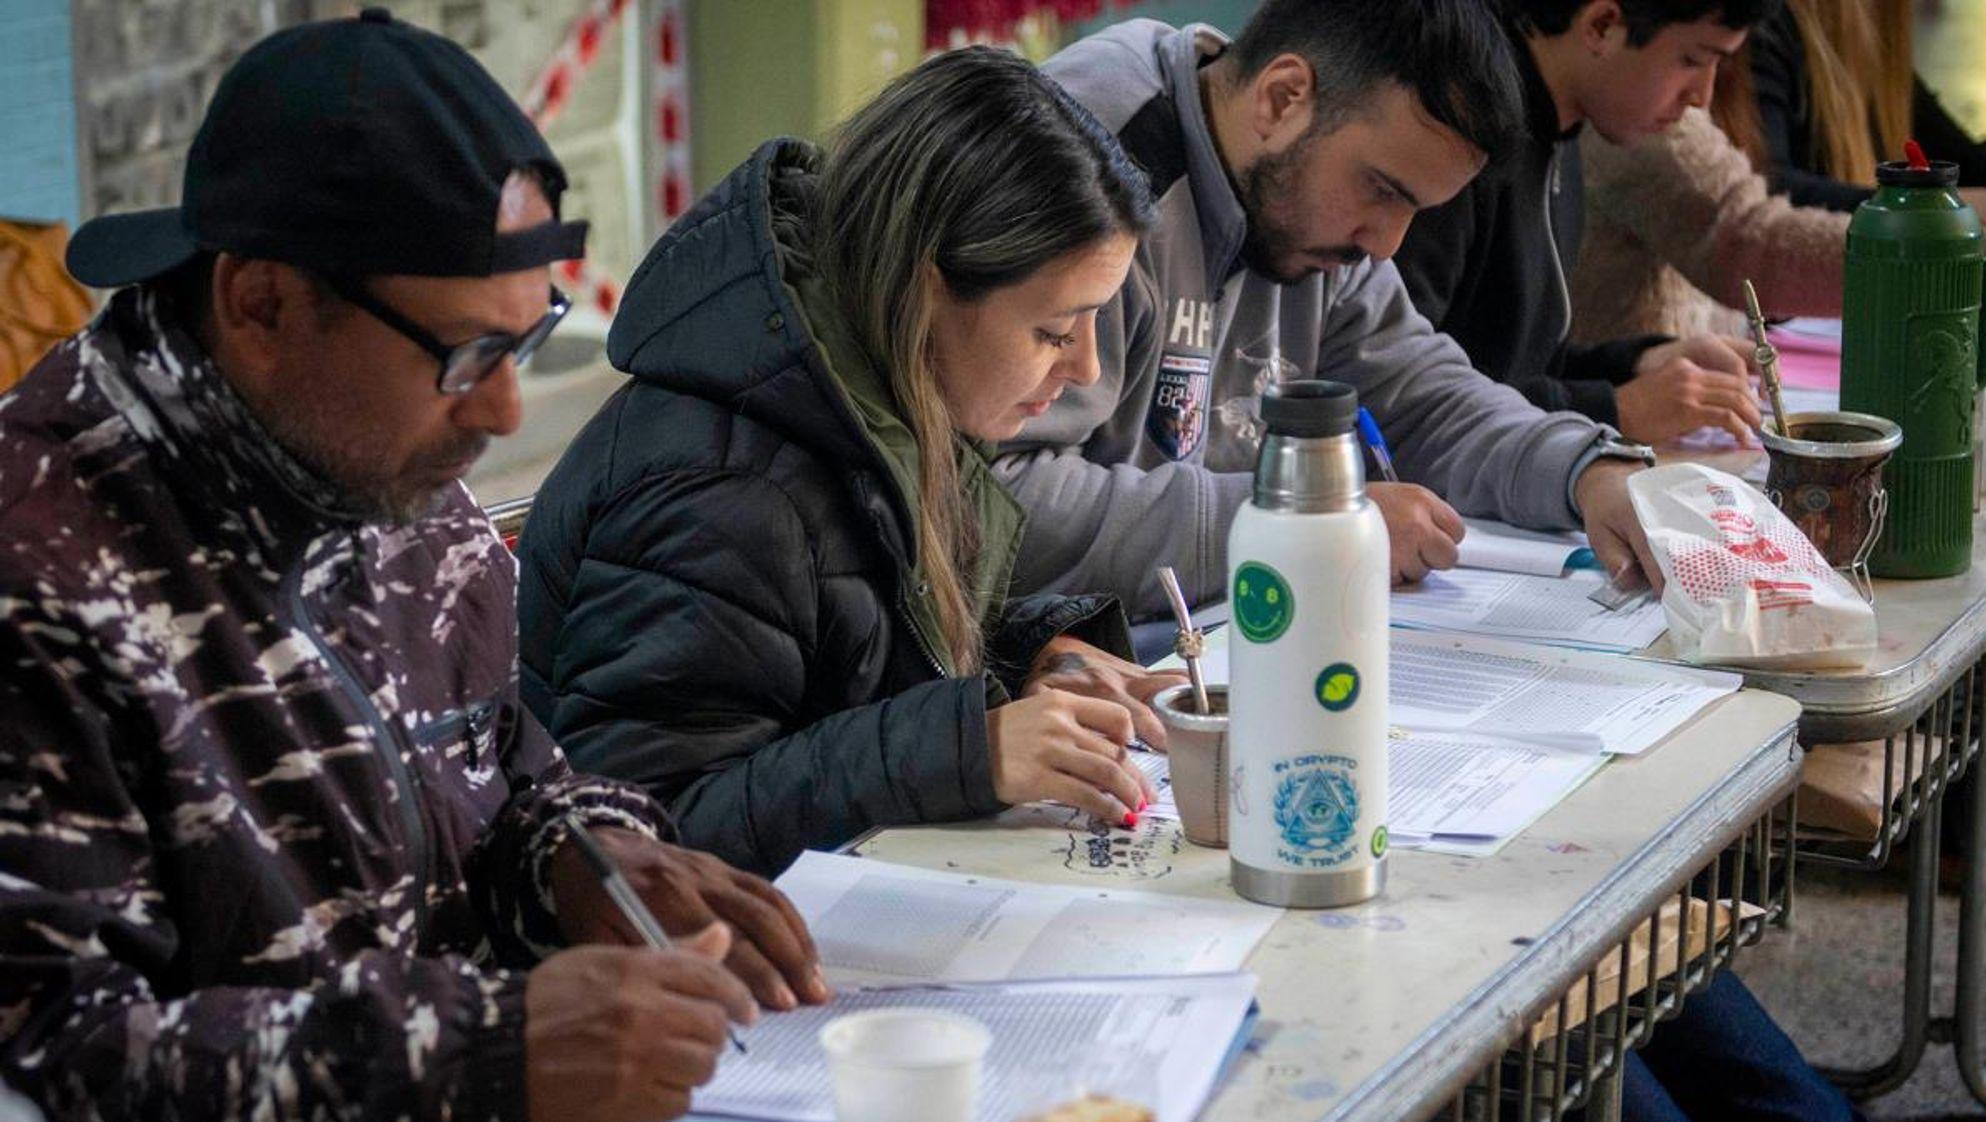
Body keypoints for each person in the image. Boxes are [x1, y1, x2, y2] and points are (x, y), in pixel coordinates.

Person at [0, 11, 826, 1122]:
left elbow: (506, 771)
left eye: (525, 341)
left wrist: (584, 853)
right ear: (261, 302)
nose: (505, 408)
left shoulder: (391, 475)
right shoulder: (39, 565)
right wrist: (486, 1052)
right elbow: (51, 1049)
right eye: (469, 355)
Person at [515, 47, 1183, 879]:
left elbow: (835, 664)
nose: (1085, 369)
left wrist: (1025, 668)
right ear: (927, 287)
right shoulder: (722, 490)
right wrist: (967, 746)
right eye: (1055, 330)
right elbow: (640, 836)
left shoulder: (885, 398)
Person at [993, 0, 1665, 616]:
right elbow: (993, 506)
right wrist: (1306, 526)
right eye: (1381, 191)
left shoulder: (1303, 205)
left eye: (1414, 211)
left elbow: (1422, 398)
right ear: (1283, 98)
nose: (1385, 245)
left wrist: (1588, 470)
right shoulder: (1091, 164)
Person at [1393, 0, 1774, 449]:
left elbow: (1519, 362)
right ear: (1601, 26)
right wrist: (1611, 410)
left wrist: (1636, 364)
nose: (1702, 96)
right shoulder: (1457, 135)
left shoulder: (1561, 130)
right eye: (1691, 60)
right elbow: (1402, 393)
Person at [1571, 53, 1848, 343]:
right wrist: (1892, 250)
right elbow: (1750, 244)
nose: (1702, 96)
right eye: (1691, 59)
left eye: (1720, 61)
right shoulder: (1640, 115)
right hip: (1633, 379)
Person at [1752, 0, 1986, 212]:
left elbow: (1964, 164)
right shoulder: (1765, 24)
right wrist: (1924, 206)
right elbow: (1766, 186)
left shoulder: (1873, 43)